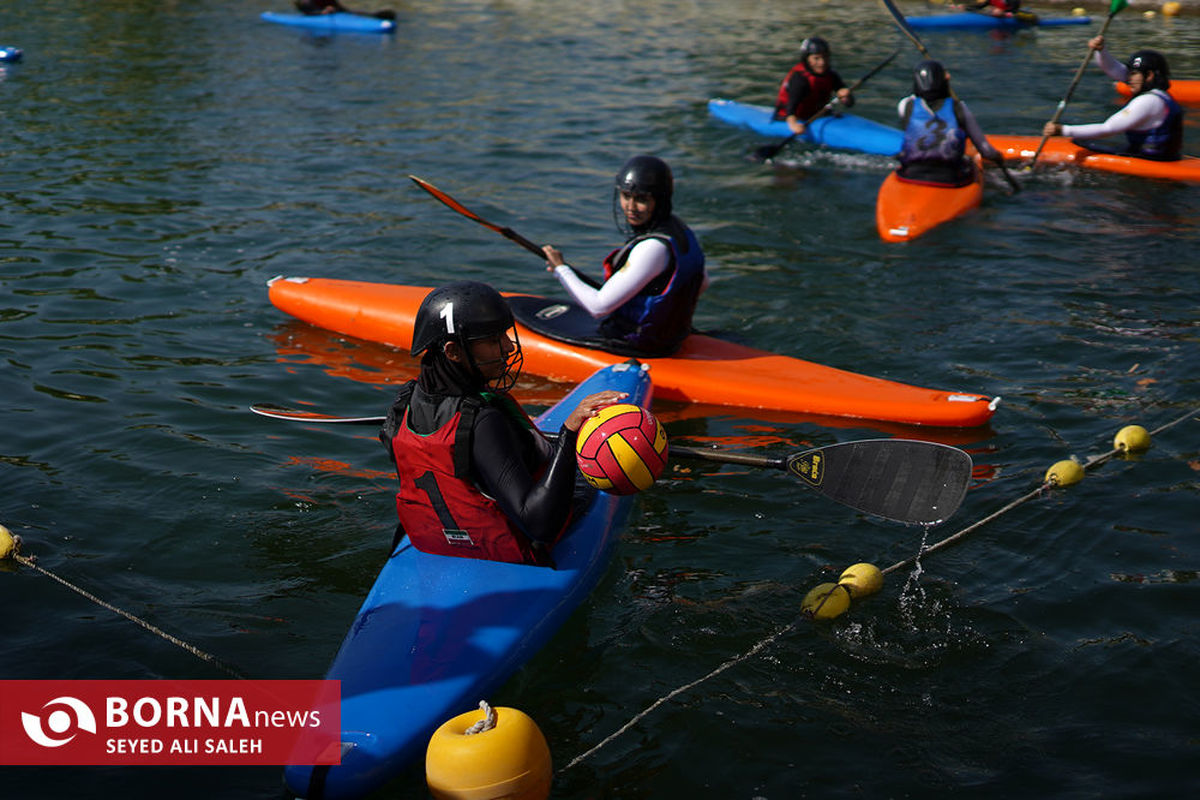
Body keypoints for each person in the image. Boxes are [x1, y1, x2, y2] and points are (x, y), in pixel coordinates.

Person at [379, 281, 625, 566]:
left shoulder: (403, 405)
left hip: (433, 542)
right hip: (510, 549)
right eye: (493, 340)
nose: (508, 348)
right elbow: (541, 527)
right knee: (591, 465)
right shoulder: (484, 420)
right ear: (453, 351)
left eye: (505, 335)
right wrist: (569, 434)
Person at [541, 155, 707, 357]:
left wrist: (560, 269)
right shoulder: (680, 231)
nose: (630, 206)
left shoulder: (652, 248)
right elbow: (702, 281)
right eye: (626, 196)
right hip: (671, 338)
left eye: (641, 199)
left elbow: (598, 307)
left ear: (660, 200)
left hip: (638, 346)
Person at [1042, 36, 1183, 161]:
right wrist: (1101, 51)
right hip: (1164, 156)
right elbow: (1114, 69)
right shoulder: (1162, 96)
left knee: (1082, 143)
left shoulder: (1148, 101)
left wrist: (1062, 130)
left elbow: (1107, 129)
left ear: (1149, 76)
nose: (1128, 79)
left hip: (1149, 159)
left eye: (1133, 74)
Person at [895, 59, 1005, 185]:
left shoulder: (905, 106)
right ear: (944, 83)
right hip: (949, 177)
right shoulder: (959, 108)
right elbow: (985, 151)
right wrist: (998, 158)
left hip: (911, 174)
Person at [772, 37, 855, 135]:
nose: (822, 62)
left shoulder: (831, 74)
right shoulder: (800, 79)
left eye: (825, 57)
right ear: (807, 59)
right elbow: (791, 108)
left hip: (817, 115)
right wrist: (794, 125)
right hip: (790, 117)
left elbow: (849, 104)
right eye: (816, 58)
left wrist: (846, 97)